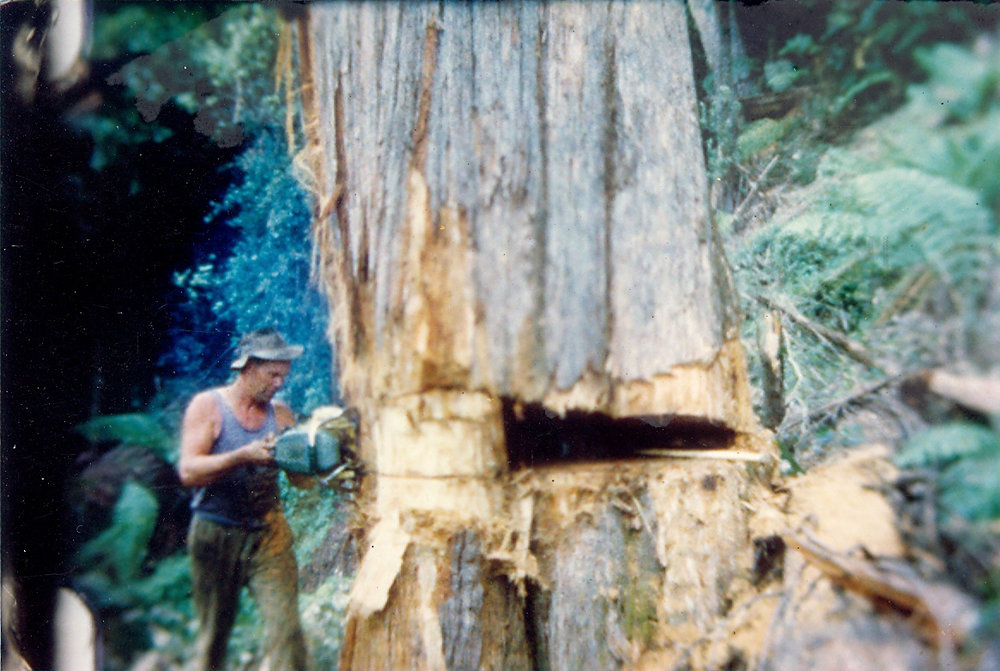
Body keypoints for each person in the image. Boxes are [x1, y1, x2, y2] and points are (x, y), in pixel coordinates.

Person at [178, 328, 309, 671]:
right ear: (248, 368)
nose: (280, 383)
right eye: (273, 374)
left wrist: (313, 455)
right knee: (213, 640)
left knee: (287, 631)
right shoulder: (208, 407)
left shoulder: (281, 415)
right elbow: (188, 472)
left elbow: (302, 481)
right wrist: (242, 456)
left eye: (284, 375)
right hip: (215, 534)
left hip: (268, 533)